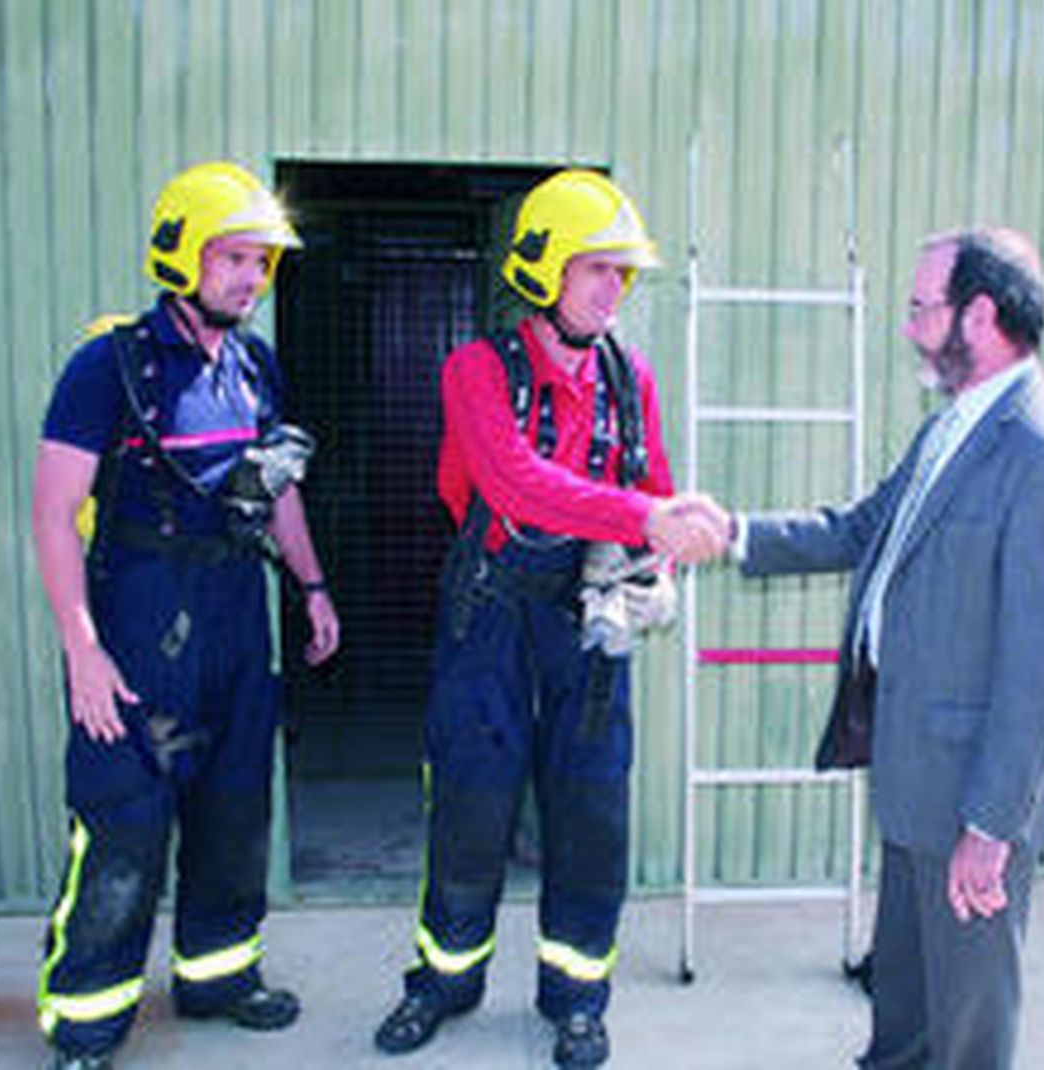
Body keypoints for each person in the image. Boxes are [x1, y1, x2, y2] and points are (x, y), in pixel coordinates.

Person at [720, 228, 1044, 1068]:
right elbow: (862, 529)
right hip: (915, 774)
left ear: (980, 314)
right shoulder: (952, 427)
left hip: (974, 795)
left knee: (968, 1025)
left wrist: (990, 825)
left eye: (920, 308)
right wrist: (732, 534)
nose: (907, 327)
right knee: (905, 1001)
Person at [371, 169, 725, 1068]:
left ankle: (577, 999)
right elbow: (516, 486)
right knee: (470, 808)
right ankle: (442, 985)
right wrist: (646, 520)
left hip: (588, 618)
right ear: (544, 270)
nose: (614, 288)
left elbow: (646, 485)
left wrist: (655, 564)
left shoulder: (628, 376)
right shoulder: (475, 370)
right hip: (489, 618)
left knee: (591, 812)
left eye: (623, 272)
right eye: (596, 268)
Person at [30, 160, 341, 1070]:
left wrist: (312, 588)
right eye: (235, 258)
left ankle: (217, 976)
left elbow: (276, 491)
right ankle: (85, 1022)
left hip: (238, 617)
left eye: (262, 261)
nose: (252, 277)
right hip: (137, 620)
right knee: (127, 818)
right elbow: (53, 514)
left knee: (234, 805)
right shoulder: (108, 367)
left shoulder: (255, 367)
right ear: (182, 255)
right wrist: (81, 650)